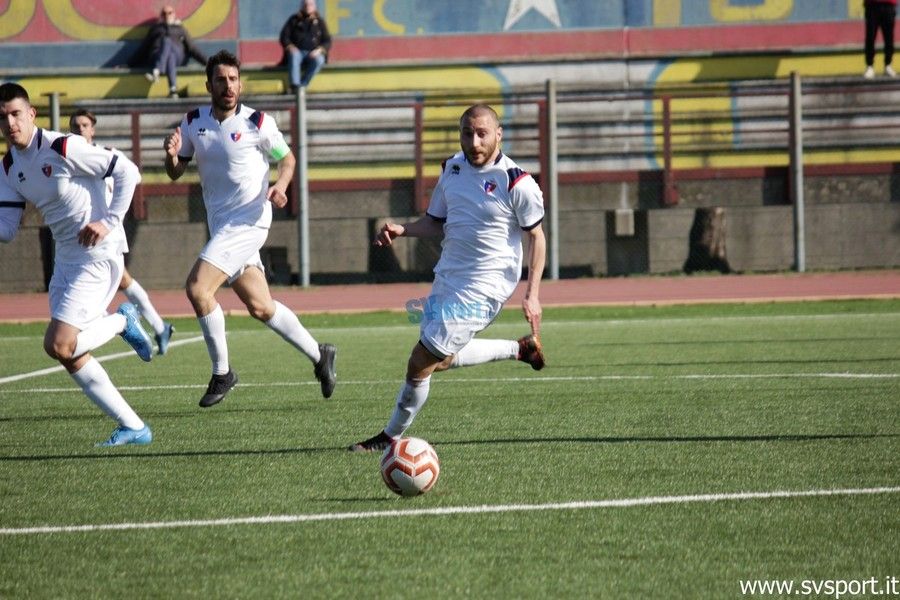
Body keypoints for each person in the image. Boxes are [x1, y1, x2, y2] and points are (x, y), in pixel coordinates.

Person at [349, 104, 547, 453]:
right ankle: (519, 349)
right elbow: (435, 222)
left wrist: (532, 294)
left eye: (482, 133)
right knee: (440, 359)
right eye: (467, 133)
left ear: (499, 134)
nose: (475, 141)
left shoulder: (517, 182)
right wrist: (403, 230)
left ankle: (389, 437)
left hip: (486, 286)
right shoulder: (452, 168)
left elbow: (537, 237)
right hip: (449, 275)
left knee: (420, 360)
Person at [163, 50, 336, 408]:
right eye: (221, 80)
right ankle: (320, 355)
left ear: (240, 85)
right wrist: (172, 156)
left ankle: (222, 372)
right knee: (261, 306)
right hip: (222, 227)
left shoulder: (258, 122)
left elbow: (287, 160)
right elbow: (176, 171)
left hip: (250, 221)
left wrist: (281, 186)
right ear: (208, 85)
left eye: (233, 79)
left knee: (197, 289)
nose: (228, 86)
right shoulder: (193, 122)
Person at [0, 83, 155, 447]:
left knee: (60, 344)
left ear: (31, 114)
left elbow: (127, 171)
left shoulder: (63, 146)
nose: (10, 123)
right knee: (68, 353)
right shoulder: (7, 167)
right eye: (2, 117)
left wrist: (109, 221)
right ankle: (133, 427)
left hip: (99, 255)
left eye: (16, 114)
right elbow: (6, 230)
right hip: (66, 260)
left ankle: (122, 320)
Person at [69, 109, 175, 355]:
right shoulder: (67, 160)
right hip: (80, 235)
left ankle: (123, 323)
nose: (80, 129)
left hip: (105, 235)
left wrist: (112, 190)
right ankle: (158, 327)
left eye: (84, 125)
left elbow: (133, 175)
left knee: (97, 289)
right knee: (122, 281)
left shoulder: (107, 155)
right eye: (75, 125)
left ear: (93, 130)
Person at [129, 5, 207, 98]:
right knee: (170, 56)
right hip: (157, 55)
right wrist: (129, 64)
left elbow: (192, 48)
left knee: (167, 41)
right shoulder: (156, 29)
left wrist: (208, 62)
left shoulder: (180, 29)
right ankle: (173, 89)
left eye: (170, 13)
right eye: (164, 13)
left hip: (178, 56)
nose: (167, 15)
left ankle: (157, 71)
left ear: (174, 14)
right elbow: (143, 48)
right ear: (161, 16)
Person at [279, 0, 332, 92]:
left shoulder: (320, 22)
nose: (307, 7)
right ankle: (295, 85)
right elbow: (284, 36)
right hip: (298, 52)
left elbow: (327, 40)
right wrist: (290, 47)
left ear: (314, 7)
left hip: (313, 53)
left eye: (310, 4)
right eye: (305, 4)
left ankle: (302, 86)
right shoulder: (294, 20)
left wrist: (319, 50)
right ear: (302, 6)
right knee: (294, 55)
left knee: (319, 60)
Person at [864, 0, 897, 78]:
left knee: (889, 37)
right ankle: (870, 65)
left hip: (888, 4)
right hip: (872, 5)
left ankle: (888, 64)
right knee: (870, 37)